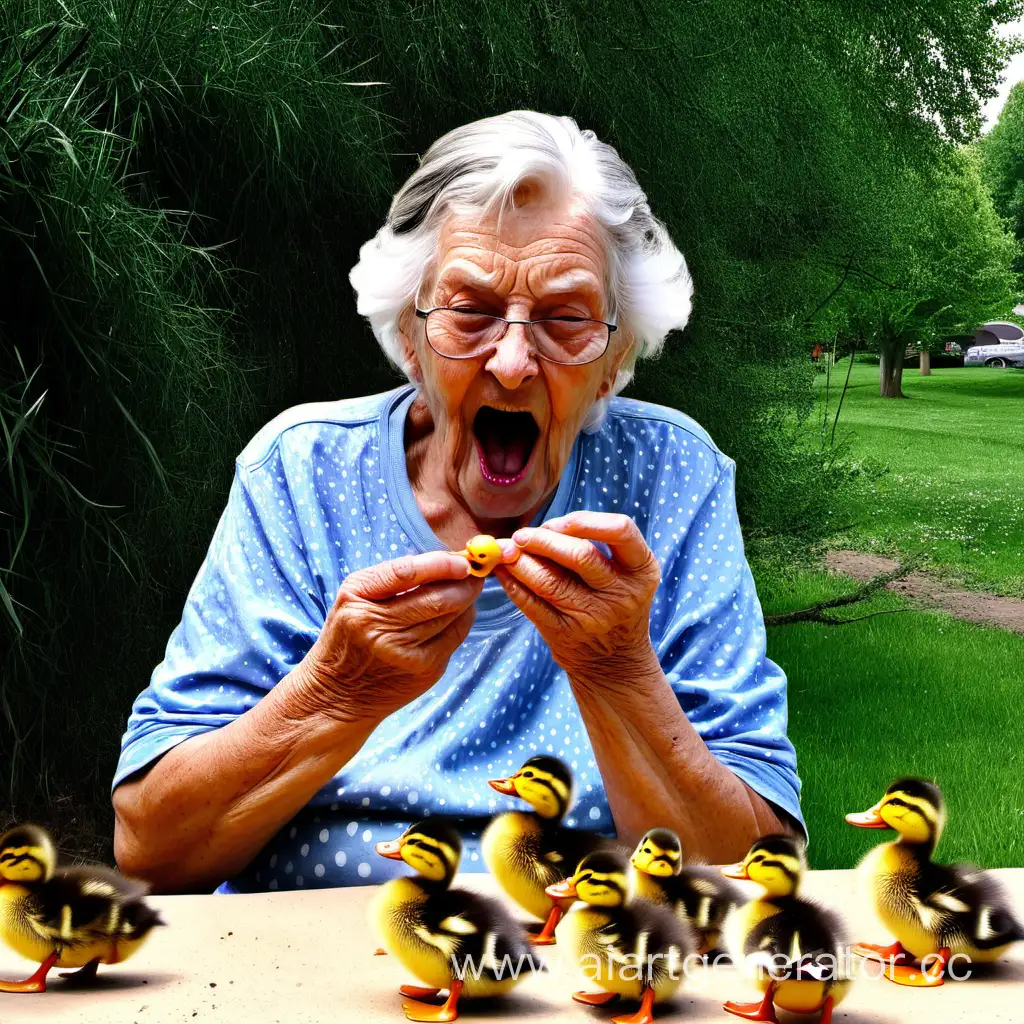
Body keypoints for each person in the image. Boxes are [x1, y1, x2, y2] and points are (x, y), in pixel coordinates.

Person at [112, 111, 803, 894]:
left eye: (566, 319)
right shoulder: (300, 472)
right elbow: (149, 845)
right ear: (410, 337)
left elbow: (758, 870)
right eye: (470, 311)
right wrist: (335, 693)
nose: (511, 363)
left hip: (585, 972)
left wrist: (616, 672)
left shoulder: (672, 477)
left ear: (614, 359)